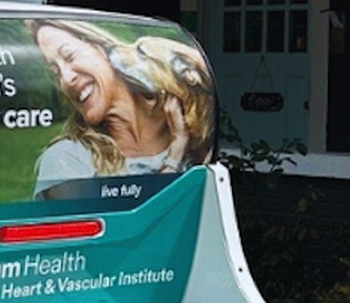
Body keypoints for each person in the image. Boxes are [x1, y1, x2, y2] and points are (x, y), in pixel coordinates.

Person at [27, 19, 213, 198]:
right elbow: (132, 226)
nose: (66, 79)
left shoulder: (199, 141)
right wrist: (175, 157)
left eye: (69, 56)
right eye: (56, 72)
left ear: (98, 47)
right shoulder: (66, 158)